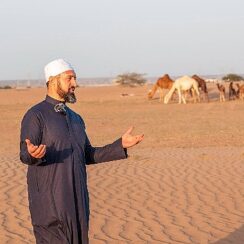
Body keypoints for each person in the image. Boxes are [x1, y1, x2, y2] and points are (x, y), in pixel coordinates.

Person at [20, 58, 144, 244]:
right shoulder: (36, 115)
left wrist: (120, 145)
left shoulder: (76, 118)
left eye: (75, 79)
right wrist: (32, 154)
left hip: (78, 204)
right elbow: (24, 153)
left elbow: (88, 154)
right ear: (53, 80)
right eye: (69, 78)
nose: (75, 84)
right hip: (49, 206)